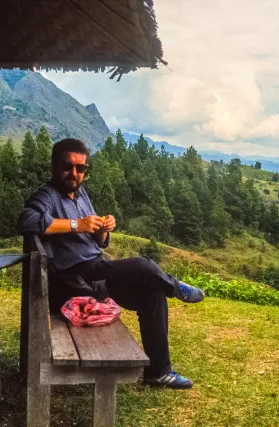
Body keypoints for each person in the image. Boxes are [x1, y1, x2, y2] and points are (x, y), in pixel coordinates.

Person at [17, 138, 204, 389]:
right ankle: (175, 287)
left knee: (152, 292)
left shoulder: (80, 194)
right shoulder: (47, 195)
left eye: (81, 168)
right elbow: (26, 221)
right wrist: (77, 224)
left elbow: (98, 243)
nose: (74, 173)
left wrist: (104, 229)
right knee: (141, 265)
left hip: (95, 273)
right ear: (55, 166)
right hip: (74, 279)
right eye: (68, 166)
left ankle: (158, 372)